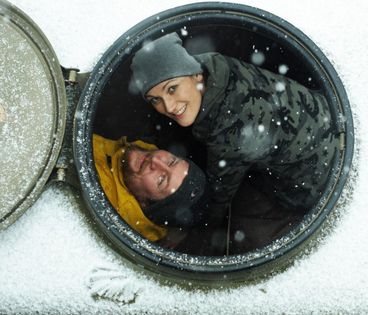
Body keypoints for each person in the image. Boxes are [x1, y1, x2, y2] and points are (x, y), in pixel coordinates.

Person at [129, 32, 338, 223]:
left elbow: (221, 190)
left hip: (321, 175)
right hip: (327, 112)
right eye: (155, 99)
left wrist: (209, 223)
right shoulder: (215, 68)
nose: (169, 106)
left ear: (196, 75)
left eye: (172, 89)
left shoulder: (229, 130)